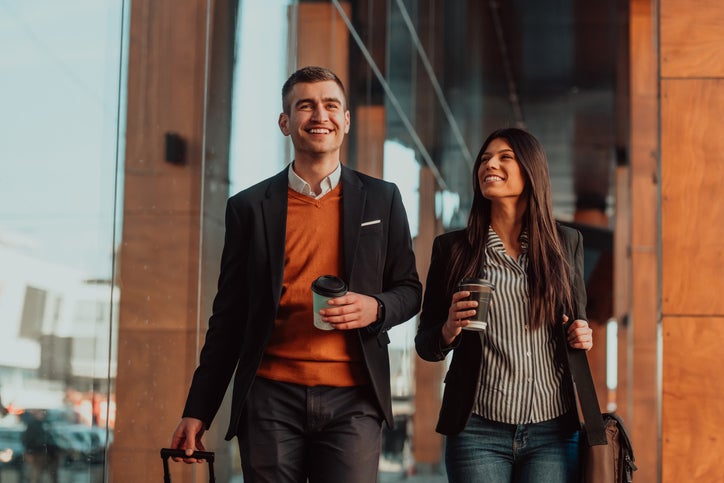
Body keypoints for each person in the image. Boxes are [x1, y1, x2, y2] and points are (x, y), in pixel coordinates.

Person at [170, 66, 422, 483]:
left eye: (330, 105)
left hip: (355, 399)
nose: (319, 115)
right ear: (286, 122)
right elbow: (229, 318)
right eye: (305, 106)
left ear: (345, 120)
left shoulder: (383, 198)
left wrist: (375, 307)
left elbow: (410, 291)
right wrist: (198, 410)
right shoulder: (248, 208)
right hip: (270, 397)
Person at [415, 127, 593, 483]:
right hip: (476, 430)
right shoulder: (453, 249)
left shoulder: (565, 243)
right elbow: (426, 344)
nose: (489, 164)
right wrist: (449, 329)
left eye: (504, 157)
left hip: (553, 432)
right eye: (484, 159)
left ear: (531, 171)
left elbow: (578, 323)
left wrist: (581, 333)